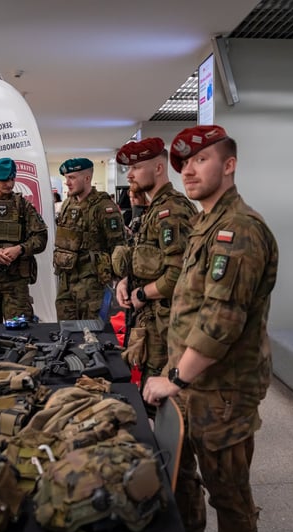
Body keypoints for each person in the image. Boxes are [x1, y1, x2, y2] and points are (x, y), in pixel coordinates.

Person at [142, 125, 279, 532]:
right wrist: (173, 375)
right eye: (185, 163)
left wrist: (175, 378)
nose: (189, 171)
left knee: (230, 498)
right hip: (189, 382)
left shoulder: (238, 229)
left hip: (222, 390)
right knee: (182, 480)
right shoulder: (206, 224)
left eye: (202, 159)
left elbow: (222, 320)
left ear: (230, 165)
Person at [113, 137, 197, 412]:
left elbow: (178, 276)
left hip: (167, 328)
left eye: (136, 167)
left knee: (160, 403)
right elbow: (146, 260)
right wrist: (127, 282)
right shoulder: (153, 211)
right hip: (150, 324)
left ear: (159, 168)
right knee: (148, 392)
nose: (130, 174)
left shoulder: (172, 210)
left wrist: (140, 293)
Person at [54, 157, 126, 320]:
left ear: (87, 178)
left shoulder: (104, 207)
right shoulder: (67, 205)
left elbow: (119, 246)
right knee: (66, 330)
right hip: (67, 282)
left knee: (92, 334)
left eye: (72, 178)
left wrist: (119, 281)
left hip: (92, 285)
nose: (67, 182)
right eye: (66, 178)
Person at [0, 157, 48, 322]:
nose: (9, 184)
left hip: (16, 283)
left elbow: (41, 237)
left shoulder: (23, 206)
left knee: (21, 333)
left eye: (12, 179)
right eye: (4, 180)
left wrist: (20, 249)